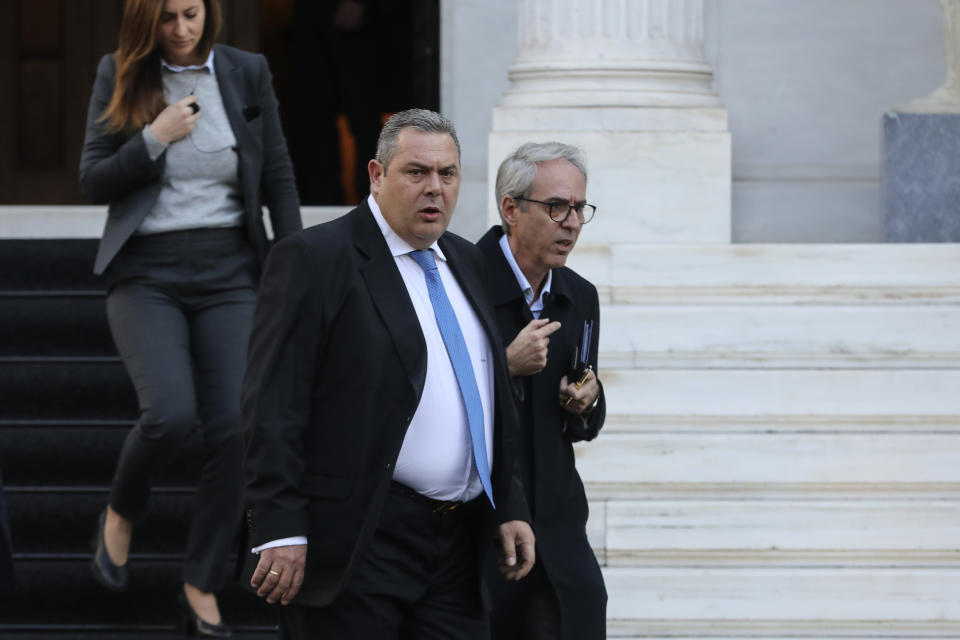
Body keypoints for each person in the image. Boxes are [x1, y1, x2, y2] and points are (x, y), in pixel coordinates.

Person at [240, 108, 535, 639]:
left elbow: (488, 393)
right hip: (359, 537)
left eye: (447, 174)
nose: (434, 189)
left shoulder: (467, 262)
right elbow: (273, 403)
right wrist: (279, 524)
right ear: (376, 175)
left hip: (457, 545)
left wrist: (508, 502)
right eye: (416, 172)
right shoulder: (315, 258)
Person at [78, 0, 301, 635]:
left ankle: (201, 580)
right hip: (146, 270)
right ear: (148, 21)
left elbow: (278, 175)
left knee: (236, 427)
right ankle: (121, 511)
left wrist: (294, 273)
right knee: (170, 414)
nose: (181, 30)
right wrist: (155, 137)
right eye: (168, 17)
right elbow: (92, 180)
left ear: (210, 12)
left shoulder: (246, 71)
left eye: (191, 13)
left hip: (231, 269)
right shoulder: (119, 72)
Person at [477, 142, 607, 640]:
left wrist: (587, 400)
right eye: (556, 207)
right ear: (511, 208)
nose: (571, 222)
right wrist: (503, 367)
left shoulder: (579, 294)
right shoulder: (461, 278)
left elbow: (584, 420)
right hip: (482, 530)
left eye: (579, 207)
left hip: (558, 526)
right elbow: (424, 397)